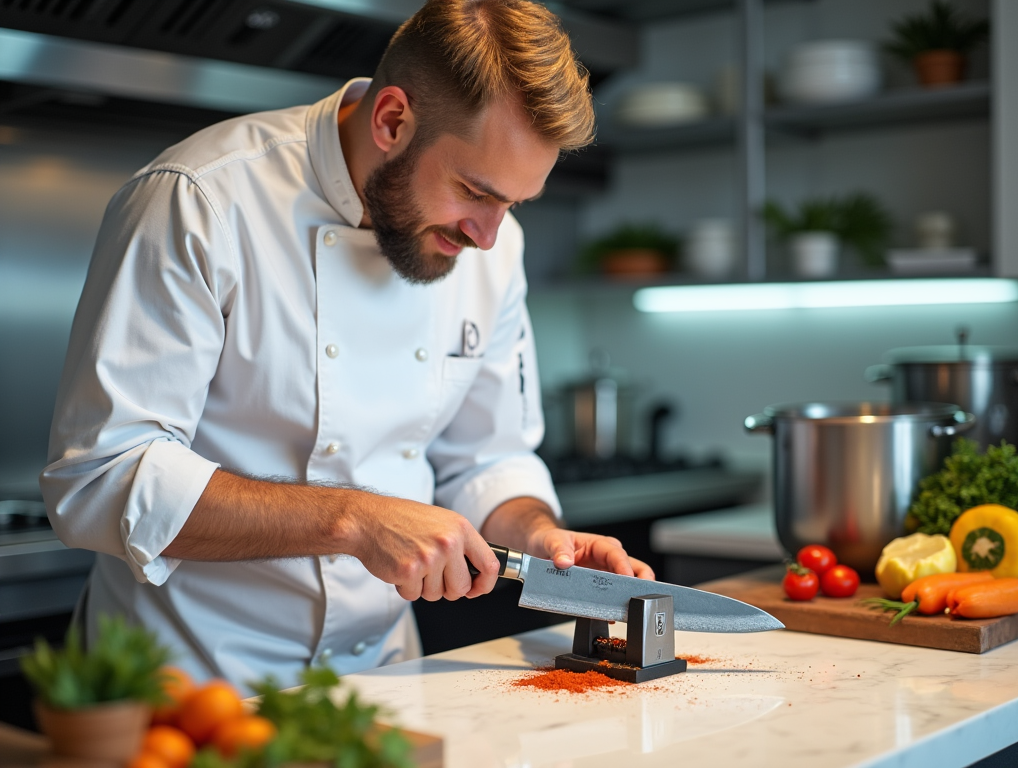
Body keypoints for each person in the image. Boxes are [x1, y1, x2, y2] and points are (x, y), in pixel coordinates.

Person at [40, 0, 653, 692]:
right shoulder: (201, 201)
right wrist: (353, 519)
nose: (487, 234)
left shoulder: (492, 246)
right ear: (393, 120)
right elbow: (100, 478)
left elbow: (488, 457)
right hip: (189, 681)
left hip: (382, 684)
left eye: (512, 203)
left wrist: (542, 538)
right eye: (474, 192)